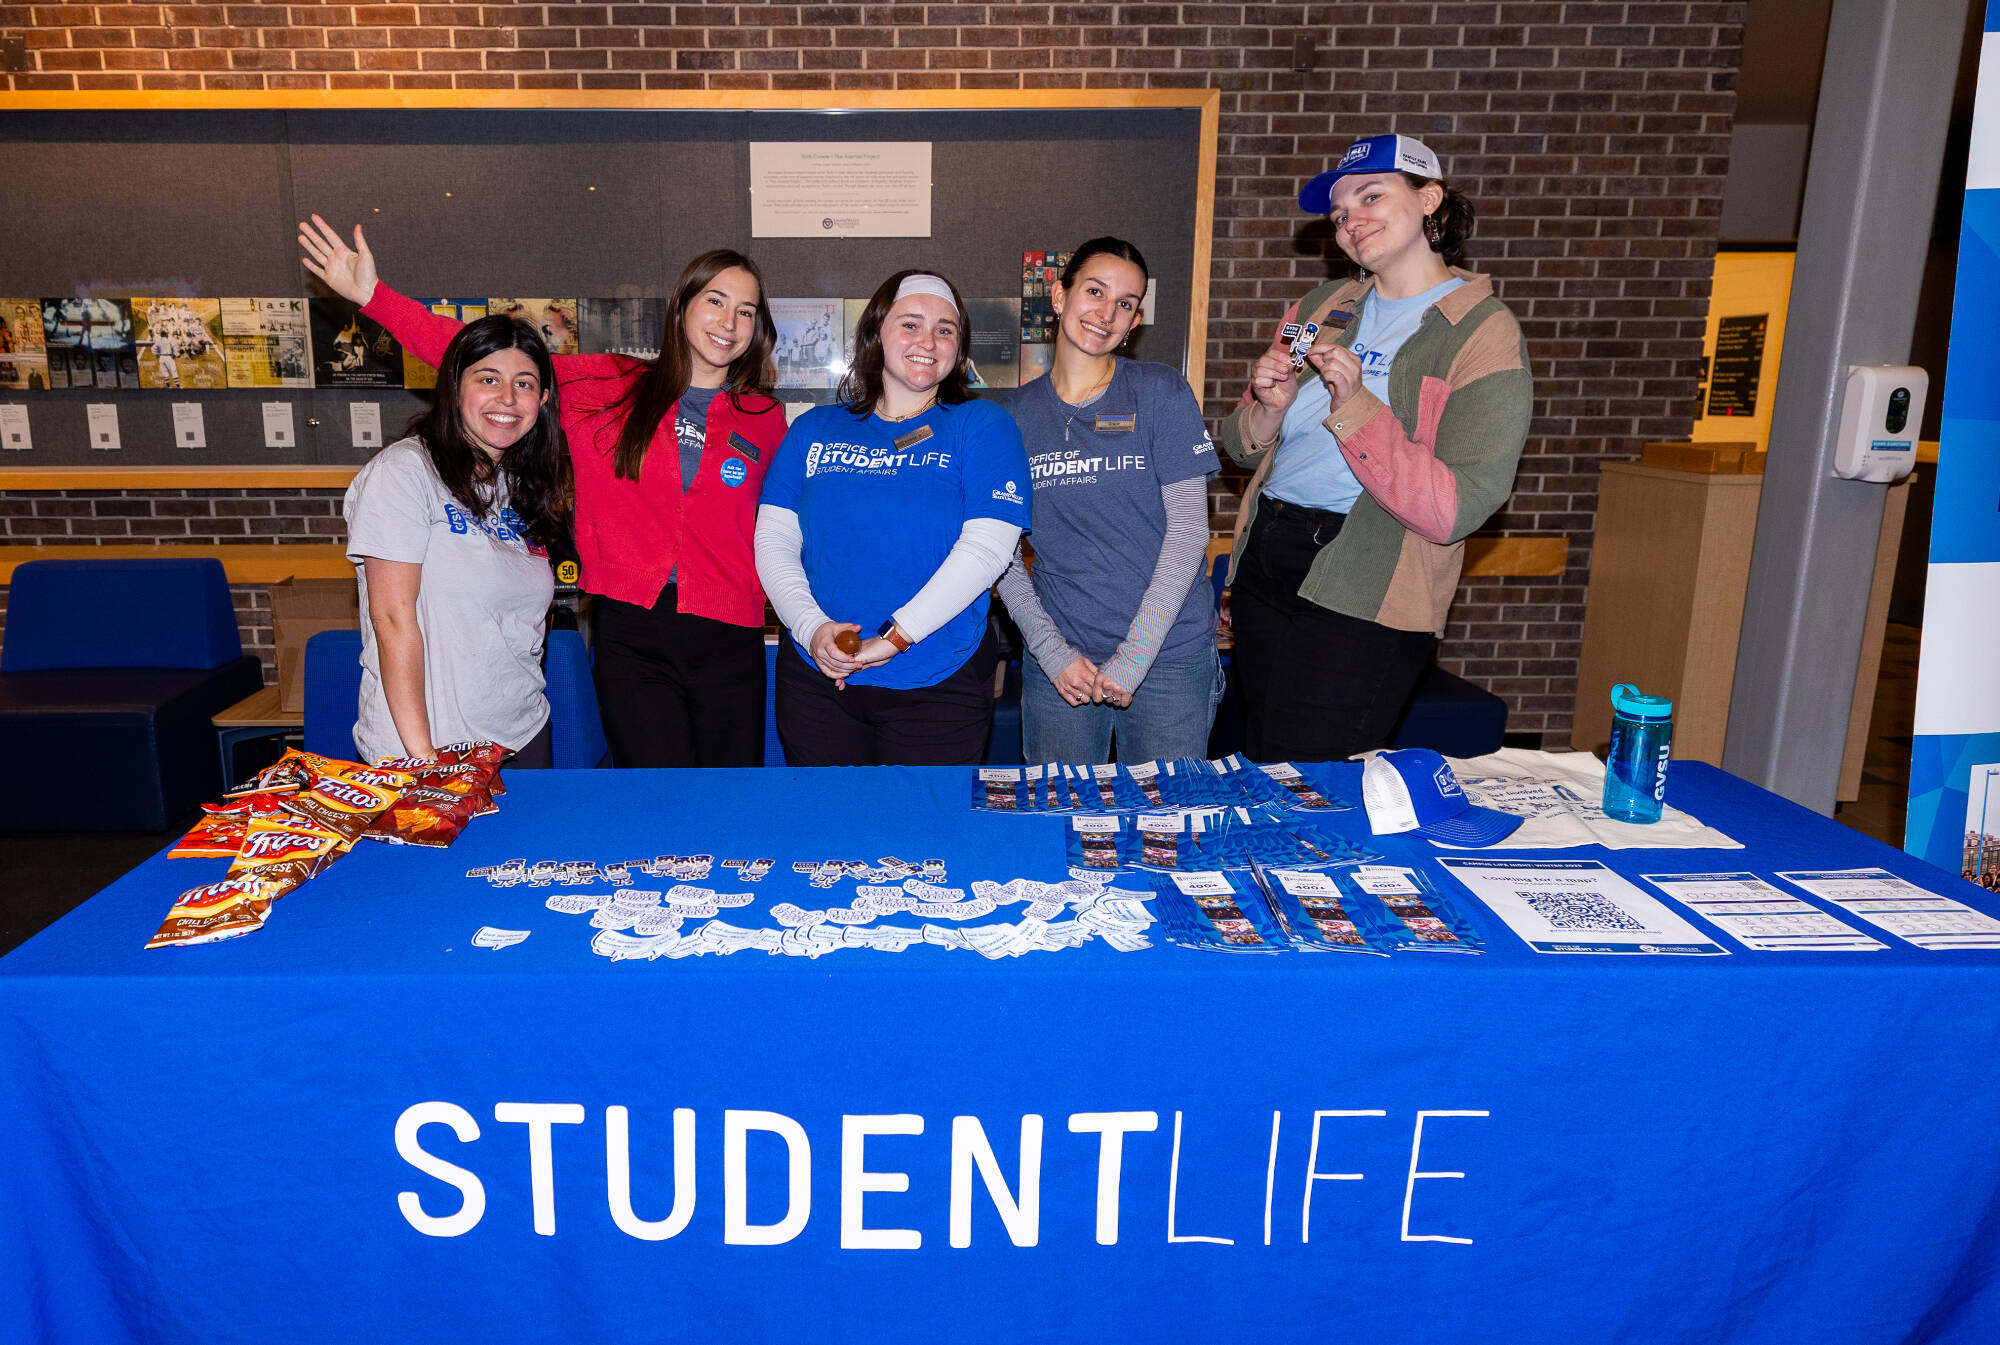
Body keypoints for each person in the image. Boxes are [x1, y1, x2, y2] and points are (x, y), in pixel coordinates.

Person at [301, 217, 786, 768]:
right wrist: (374, 297)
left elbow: (788, 524)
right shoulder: (608, 385)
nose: (729, 321)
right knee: (654, 796)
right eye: (716, 301)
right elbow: (492, 364)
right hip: (633, 629)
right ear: (682, 309)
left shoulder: (765, 417)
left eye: (746, 311)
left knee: (733, 791)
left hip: (731, 630)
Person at [1216, 133, 1532, 763]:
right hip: (1267, 551)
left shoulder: (1483, 330)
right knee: (1258, 756)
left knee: (1308, 775)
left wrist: (1358, 406)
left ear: (1430, 200)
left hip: (1367, 569)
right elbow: (1241, 448)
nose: (1350, 221)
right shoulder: (1322, 305)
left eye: (1370, 196)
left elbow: (1455, 507)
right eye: (1338, 214)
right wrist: (1267, 409)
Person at [754, 270, 1031, 766]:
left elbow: (988, 551)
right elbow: (773, 541)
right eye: (911, 324)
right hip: (818, 680)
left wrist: (893, 638)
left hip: (937, 683)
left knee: (925, 838)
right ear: (876, 332)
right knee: (827, 833)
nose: (929, 341)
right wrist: (812, 628)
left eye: (945, 329)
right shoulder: (814, 429)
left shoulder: (982, 425)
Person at [993, 237, 1222, 764]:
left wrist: (1133, 658)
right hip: (1062, 661)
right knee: (1064, 818)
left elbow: (1188, 530)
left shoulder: (1160, 390)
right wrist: (1052, 654)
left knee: (1167, 824)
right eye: (1094, 291)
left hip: (1167, 658)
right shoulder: (1012, 417)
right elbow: (999, 552)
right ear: (1058, 297)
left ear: (1135, 320)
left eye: (1125, 303)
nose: (1106, 312)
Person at [344, 316, 570, 766]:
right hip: (432, 747)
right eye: (489, 379)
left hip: (520, 733)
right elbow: (391, 619)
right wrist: (423, 757)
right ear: (454, 386)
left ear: (542, 400)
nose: (507, 398)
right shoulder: (405, 472)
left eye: (524, 384)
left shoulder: (517, 483)